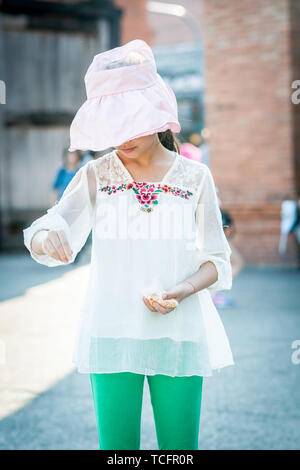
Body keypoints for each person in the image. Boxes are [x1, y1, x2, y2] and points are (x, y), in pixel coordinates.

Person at [23, 39, 234, 450]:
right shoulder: (96, 174)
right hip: (111, 329)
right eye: (109, 125)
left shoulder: (195, 178)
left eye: (129, 121)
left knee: (179, 451)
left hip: (181, 330)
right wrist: (50, 239)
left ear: (155, 112)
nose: (119, 136)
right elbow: (44, 228)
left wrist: (182, 289)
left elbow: (216, 261)